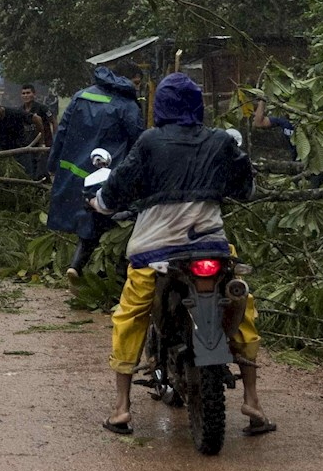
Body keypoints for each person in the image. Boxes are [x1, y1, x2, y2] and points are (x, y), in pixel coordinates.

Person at [92, 72, 274, 438]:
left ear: (160, 107)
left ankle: (122, 409)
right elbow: (246, 188)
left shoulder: (149, 142)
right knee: (242, 307)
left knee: (129, 317)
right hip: (212, 248)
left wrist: (99, 202)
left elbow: (115, 191)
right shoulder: (221, 141)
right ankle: (253, 400)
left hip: (154, 253)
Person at [46, 66, 143, 279]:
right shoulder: (127, 105)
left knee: (85, 216)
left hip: (76, 171)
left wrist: (52, 164)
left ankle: (79, 266)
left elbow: (61, 132)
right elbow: (139, 143)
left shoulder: (81, 96)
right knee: (112, 221)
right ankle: (105, 271)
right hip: (111, 172)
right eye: (137, 82)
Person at [19, 84, 55, 178]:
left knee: (42, 170)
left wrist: (56, 138)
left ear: (34, 94)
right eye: (23, 93)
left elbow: (53, 122)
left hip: (44, 144)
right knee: (30, 170)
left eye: (28, 93)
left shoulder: (42, 108)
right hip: (29, 145)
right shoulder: (20, 110)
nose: (26, 95)